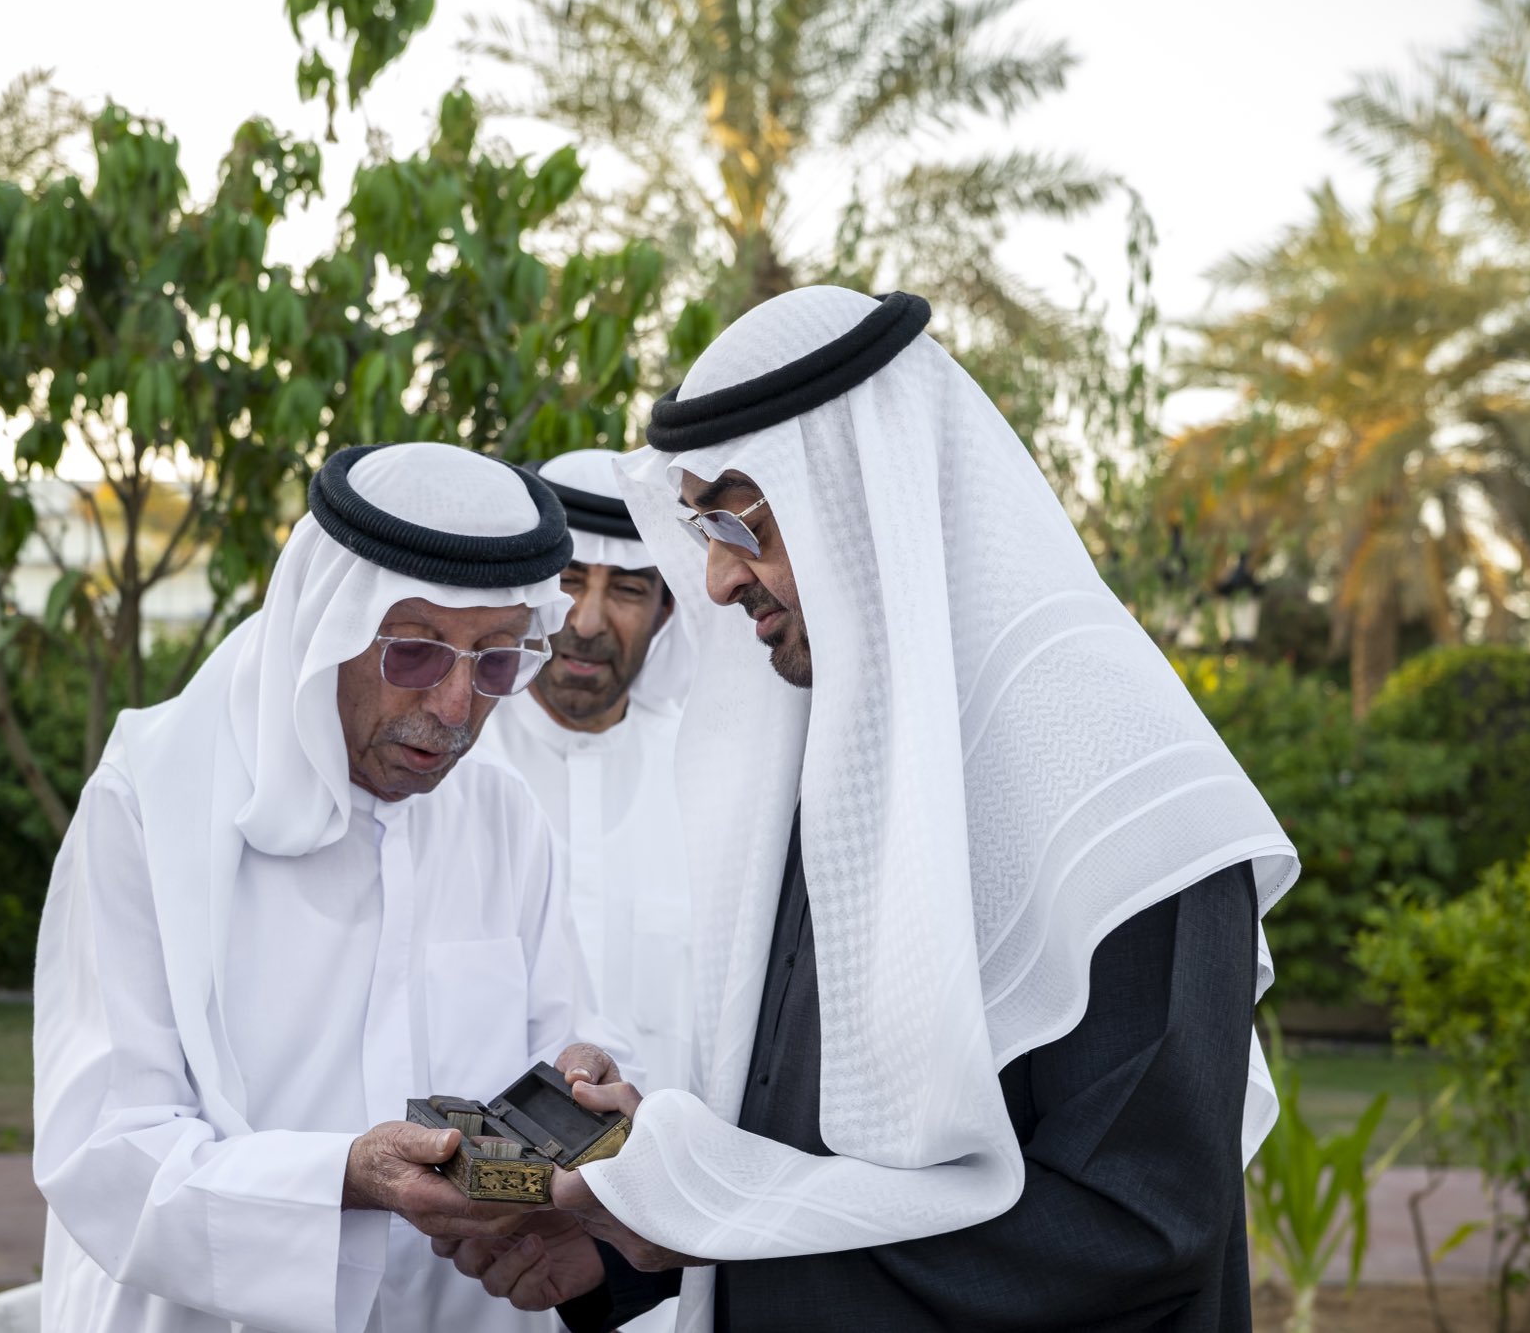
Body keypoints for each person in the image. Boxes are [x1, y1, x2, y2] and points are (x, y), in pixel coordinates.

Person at [438, 286, 1301, 1331]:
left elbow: (1132, 1228)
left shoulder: (1112, 779)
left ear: (862, 495)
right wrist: (629, 1230)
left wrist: (706, 1213)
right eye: (700, 528)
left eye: (740, 522)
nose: (715, 581)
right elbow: (811, 1150)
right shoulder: (827, 767)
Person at [32, 441, 631, 1333]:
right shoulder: (148, 804)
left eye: (496, 660)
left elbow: (554, 1045)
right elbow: (104, 1150)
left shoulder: (501, 813)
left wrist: (581, 1087)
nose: (457, 709)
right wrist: (343, 1179)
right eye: (416, 653)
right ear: (326, 628)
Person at [480, 449, 699, 1099]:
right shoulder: (460, 768)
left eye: (627, 589)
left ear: (666, 610)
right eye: (570, 581)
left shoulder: (703, 777)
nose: (587, 620)